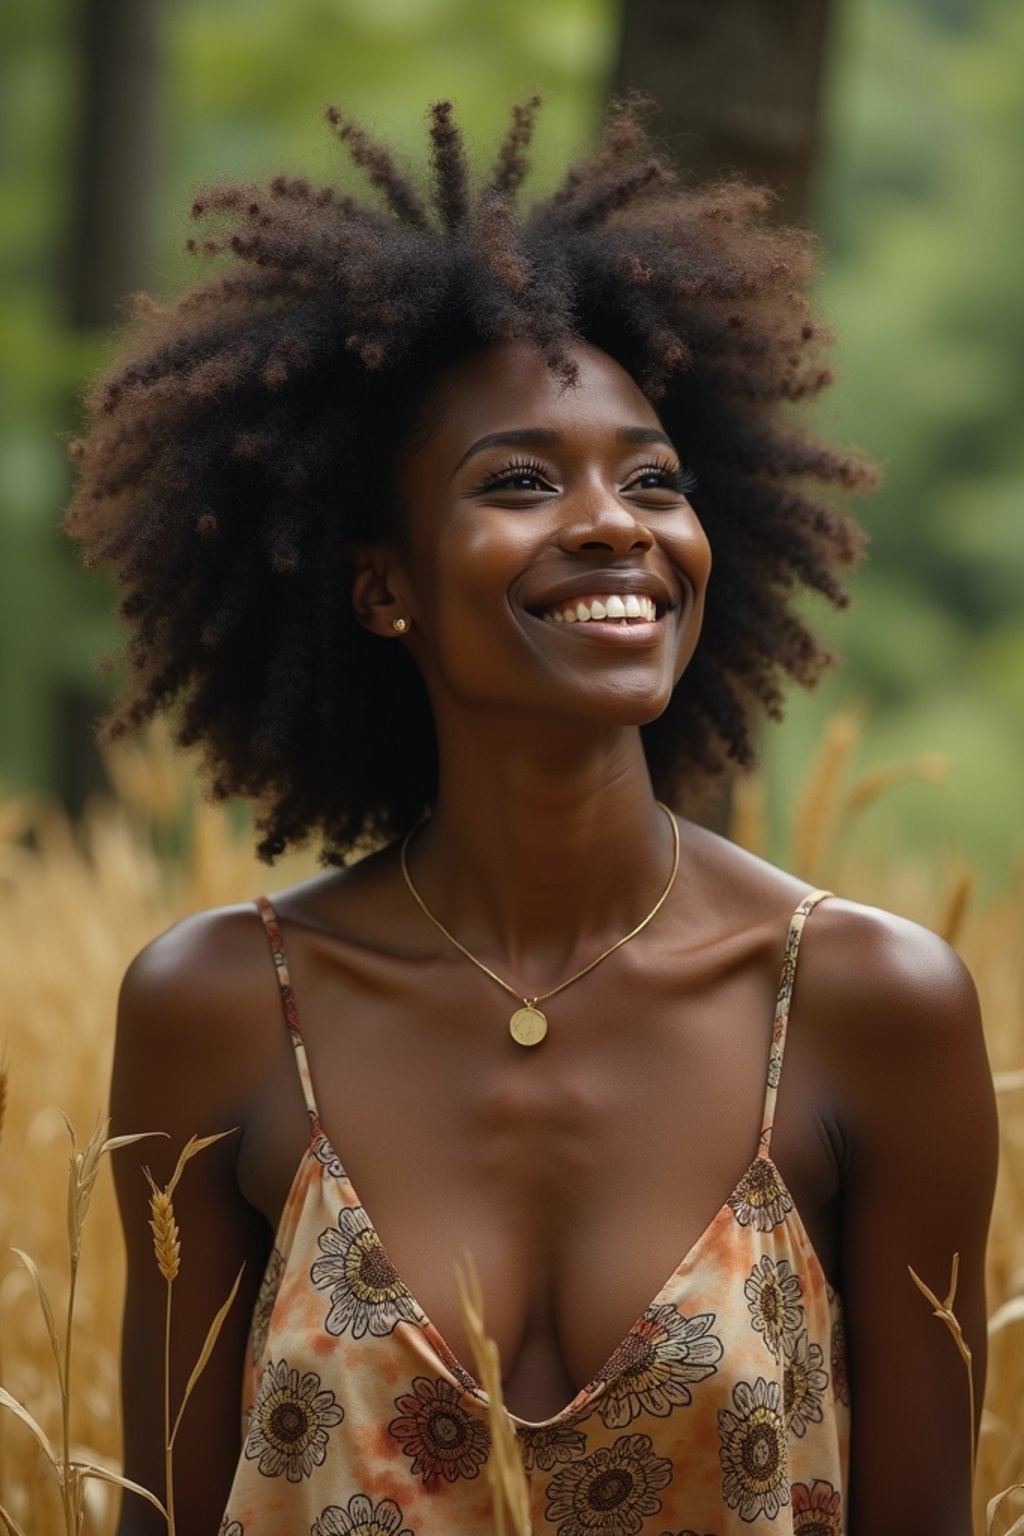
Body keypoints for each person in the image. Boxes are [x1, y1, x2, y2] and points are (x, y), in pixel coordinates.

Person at [67, 97, 997, 1536]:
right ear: (380, 585)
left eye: (652, 479)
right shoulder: (225, 1009)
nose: (617, 521)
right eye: (519, 481)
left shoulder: (872, 1006)